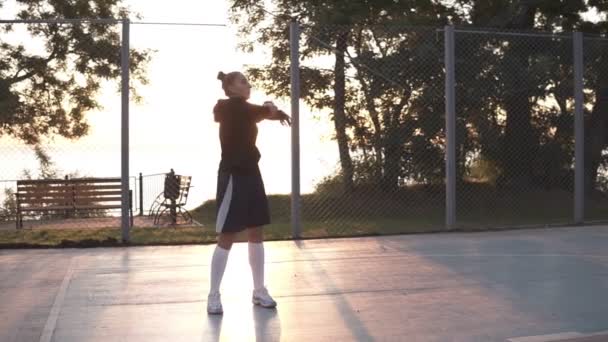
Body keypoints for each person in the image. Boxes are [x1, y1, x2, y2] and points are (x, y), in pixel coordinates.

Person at [207, 71, 291, 315]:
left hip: (252, 174)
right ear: (231, 87)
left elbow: (263, 113)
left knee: (256, 231)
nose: (248, 84)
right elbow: (259, 112)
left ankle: (259, 291)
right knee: (228, 235)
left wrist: (273, 111)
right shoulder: (227, 107)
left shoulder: (247, 110)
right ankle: (213, 295)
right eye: (243, 81)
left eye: (247, 81)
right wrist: (269, 108)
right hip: (233, 175)